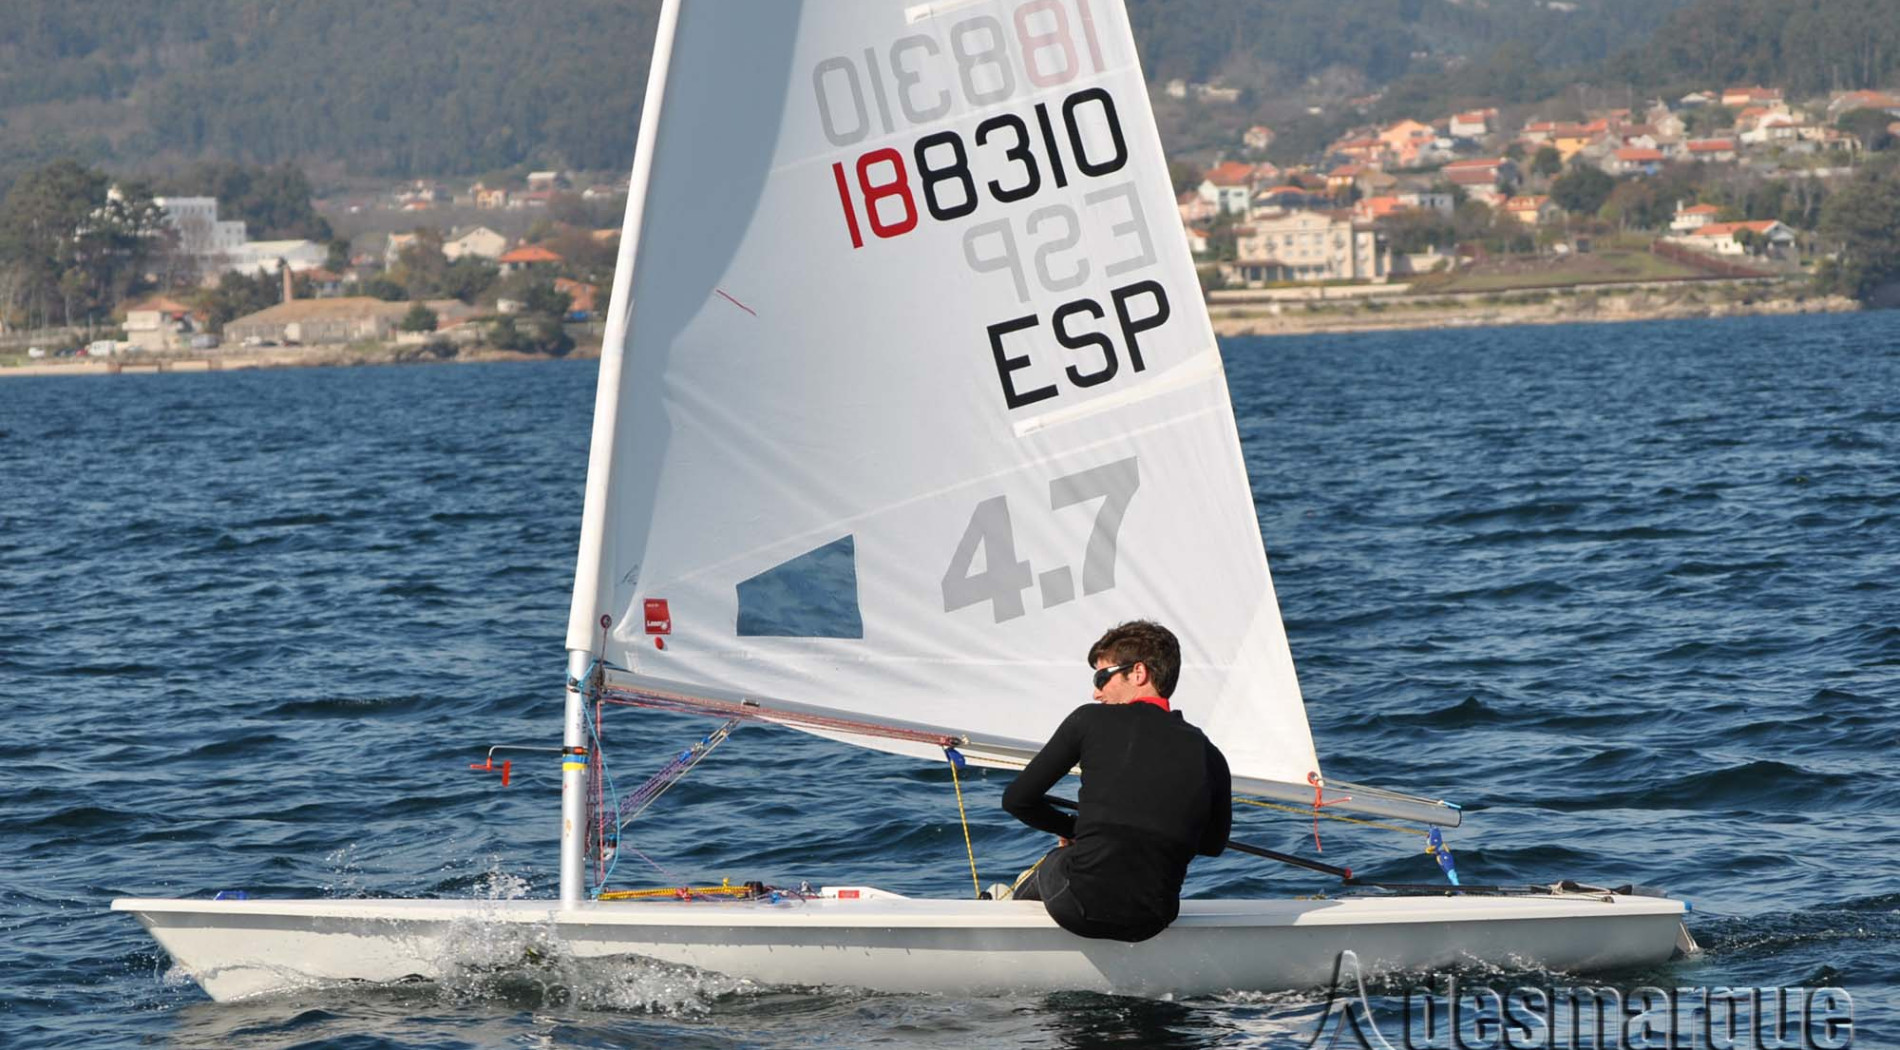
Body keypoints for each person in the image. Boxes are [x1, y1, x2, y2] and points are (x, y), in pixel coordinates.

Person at [1000, 620, 1231, 942]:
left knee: (1054, 861)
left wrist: (1074, 830)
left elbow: (1016, 800)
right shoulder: (1210, 753)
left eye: (1101, 678)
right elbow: (1213, 844)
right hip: (1155, 918)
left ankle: (1002, 913)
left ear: (1138, 673)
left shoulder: (1088, 719)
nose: (1096, 692)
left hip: (1077, 906)